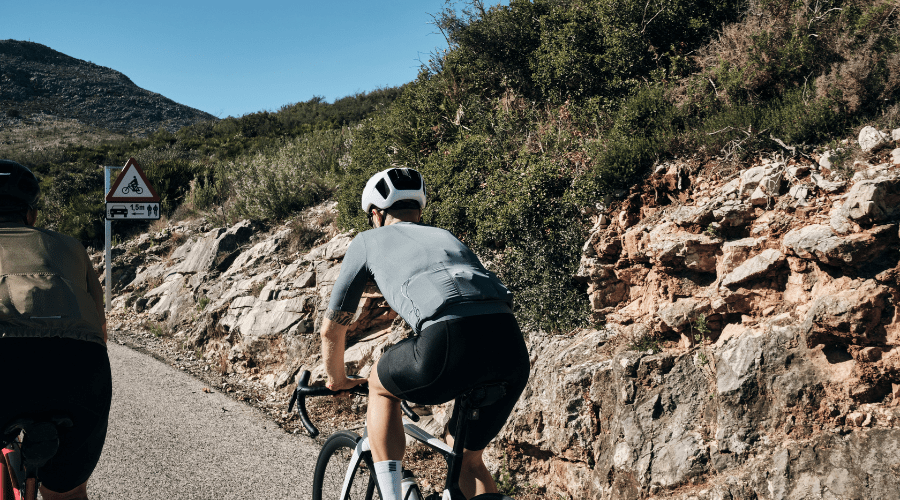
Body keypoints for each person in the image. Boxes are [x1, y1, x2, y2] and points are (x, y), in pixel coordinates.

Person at [319, 167, 530, 499]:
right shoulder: (446, 236)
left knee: (380, 384)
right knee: (467, 459)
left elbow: (332, 329)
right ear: (418, 211)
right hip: (510, 347)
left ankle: (391, 495)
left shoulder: (367, 241)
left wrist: (338, 380)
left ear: (375, 214)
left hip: (447, 340)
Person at [0, 160, 111, 500]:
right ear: (31, 215)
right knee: (68, 494)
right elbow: (101, 328)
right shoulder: (70, 247)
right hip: (79, 363)